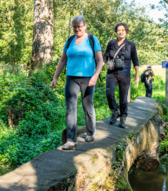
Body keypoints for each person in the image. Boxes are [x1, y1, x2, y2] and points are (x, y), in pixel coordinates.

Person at [51, 15, 103, 150]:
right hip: (71, 78)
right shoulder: (69, 41)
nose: (77, 29)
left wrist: (95, 76)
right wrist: (55, 77)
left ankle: (90, 132)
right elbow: (62, 60)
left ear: (85, 26)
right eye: (74, 26)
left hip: (88, 78)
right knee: (70, 109)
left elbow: (100, 60)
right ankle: (71, 140)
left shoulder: (92, 39)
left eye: (79, 26)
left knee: (88, 107)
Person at [103, 22, 139, 128]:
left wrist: (137, 75)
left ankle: (123, 116)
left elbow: (135, 60)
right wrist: (98, 68)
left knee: (123, 97)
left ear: (126, 31)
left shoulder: (130, 45)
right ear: (116, 31)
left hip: (125, 74)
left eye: (122, 30)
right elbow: (105, 56)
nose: (120, 32)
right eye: (118, 30)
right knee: (109, 94)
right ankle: (114, 111)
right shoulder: (111, 43)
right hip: (111, 73)